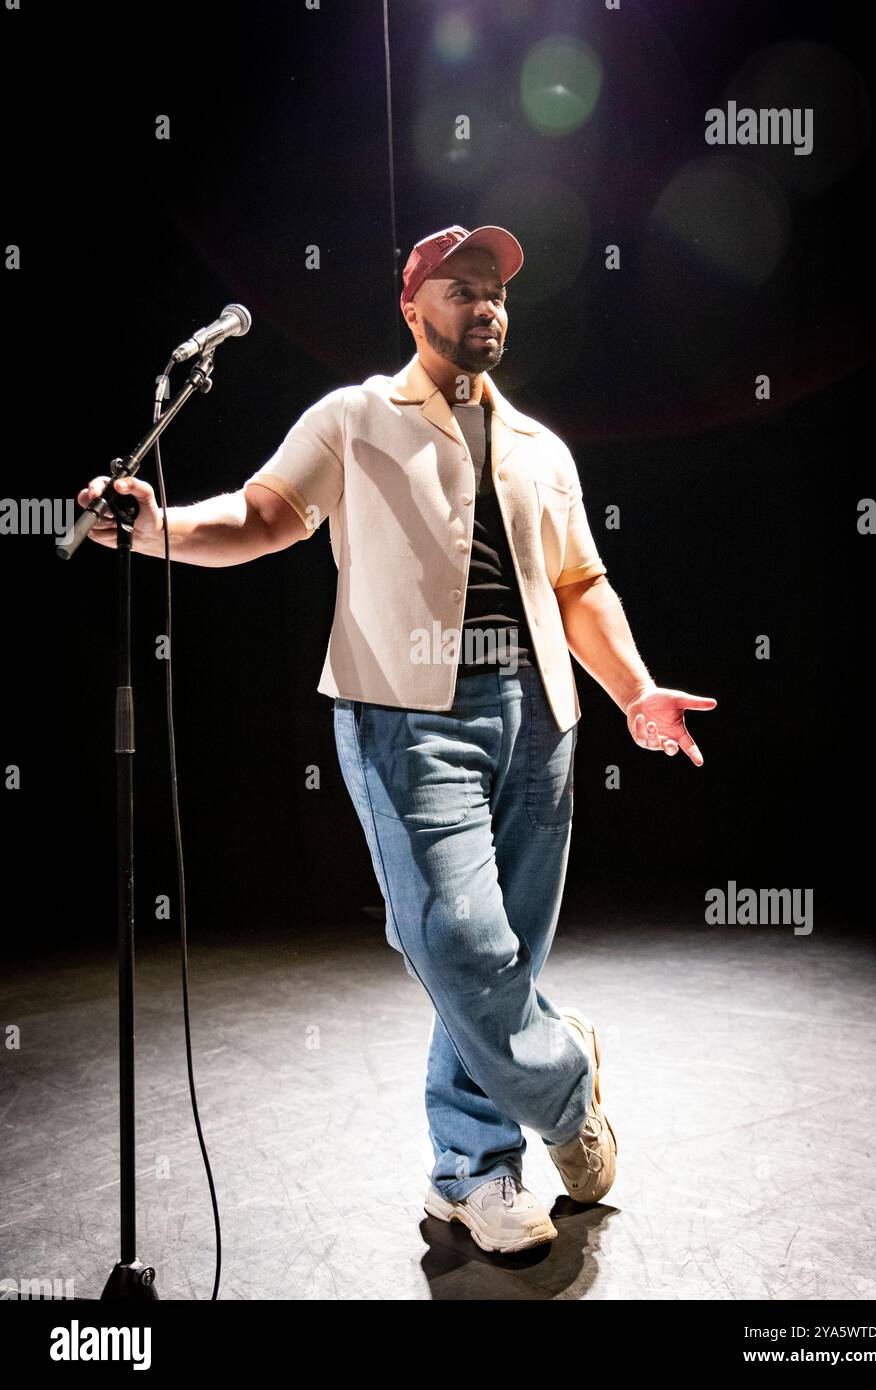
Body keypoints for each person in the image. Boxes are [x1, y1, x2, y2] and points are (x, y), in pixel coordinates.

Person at [77, 224, 716, 1256]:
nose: (485, 307)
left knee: (500, 958)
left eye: (496, 291)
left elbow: (579, 585)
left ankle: (473, 1171)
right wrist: (153, 527)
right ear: (413, 306)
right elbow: (261, 517)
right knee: (460, 946)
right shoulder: (354, 419)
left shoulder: (541, 448)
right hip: (406, 720)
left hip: (539, 717)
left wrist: (634, 691)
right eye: (461, 290)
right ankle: (567, 1080)